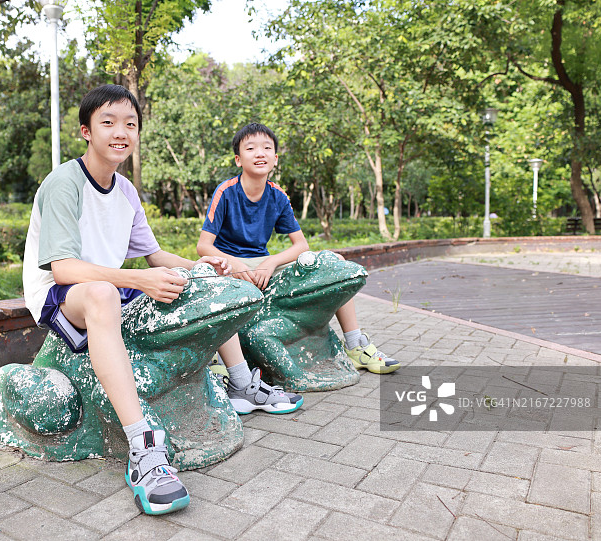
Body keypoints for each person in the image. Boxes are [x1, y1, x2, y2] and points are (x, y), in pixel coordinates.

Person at [22, 87, 299, 516]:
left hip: (111, 284)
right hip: (62, 293)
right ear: (86, 131)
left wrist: (203, 267)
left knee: (203, 279)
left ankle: (242, 383)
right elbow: (63, 269)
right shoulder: (64, 182)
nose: (121, 132)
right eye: (108, 123)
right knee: (102, 293)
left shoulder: (126, 191)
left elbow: (154, 256)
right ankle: (143, 448)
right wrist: (140, 280)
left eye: (130, 124)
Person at [197, 122, 400, 375]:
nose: (260, 153)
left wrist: (271, 262)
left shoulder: (278, 196)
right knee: (209, 280)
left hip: (262, 263)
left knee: (335, 264)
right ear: (238, 159)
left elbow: (301, 245)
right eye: (250, 148)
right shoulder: (225, 192)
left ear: (275, 159)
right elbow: (204, 246)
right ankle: (217, 359)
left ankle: (355, 345)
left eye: (267, 148)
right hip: (230, 265)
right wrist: (235, 264)